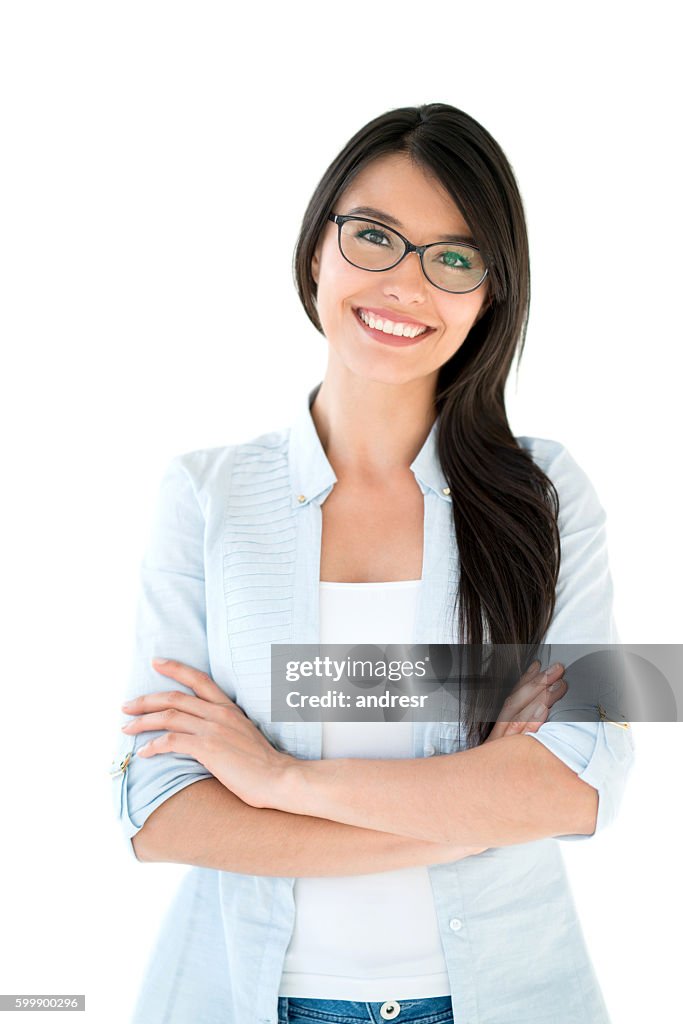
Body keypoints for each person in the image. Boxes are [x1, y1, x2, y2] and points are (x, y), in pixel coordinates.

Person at [110, 102, 635, 1024]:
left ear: (490, 295)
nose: (406, 283)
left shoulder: (548, 492)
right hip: (245, 997)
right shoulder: (204, 494)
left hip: (507, 994)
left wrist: (278, 781)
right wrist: (472, 807)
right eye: (374, 236)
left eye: (455, 257)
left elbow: (583, 782)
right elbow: (157, 813)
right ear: (316, 248)